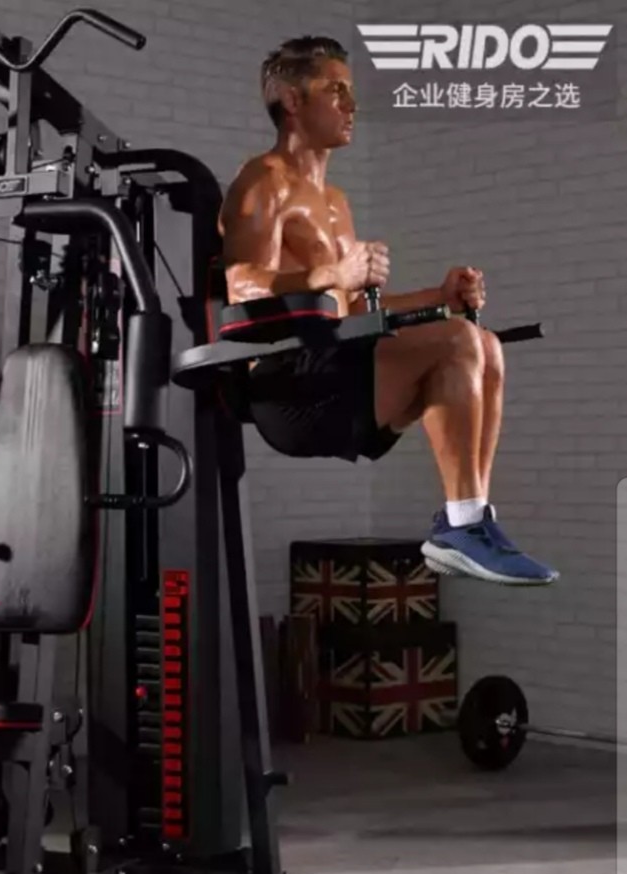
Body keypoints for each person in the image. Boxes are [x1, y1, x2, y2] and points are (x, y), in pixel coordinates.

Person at [219, 36, 558, 586]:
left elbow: (350, 306)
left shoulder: (336, 202)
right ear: (293, 100)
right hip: (288, 388)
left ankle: (468, 520)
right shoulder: (263, 180)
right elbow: (240, 283)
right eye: (336, 90)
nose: (352, 105)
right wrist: (331, 273)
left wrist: (438, 297)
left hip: (336, 365)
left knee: (484, 343)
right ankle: (462, 527)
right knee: (458, 340)